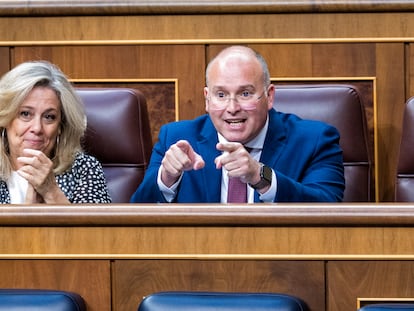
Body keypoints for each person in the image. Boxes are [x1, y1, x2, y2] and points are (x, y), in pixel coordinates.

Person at [130, 45, 345, 203]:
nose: (232, 107)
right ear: (207, 98)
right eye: (221, 94)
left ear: (269, 96)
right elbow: (135, 219)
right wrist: (167, 178)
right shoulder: (176, 137)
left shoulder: (314, 140)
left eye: (245, 93)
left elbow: (328, 210)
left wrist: (260, 176)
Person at [0, 60, 111, 204]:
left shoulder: (84, 169)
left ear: (60, 126)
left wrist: (50, 190)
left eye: (49, 117)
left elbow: (97, 226)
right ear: (6, 118)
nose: (37, 128)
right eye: (25, 114)